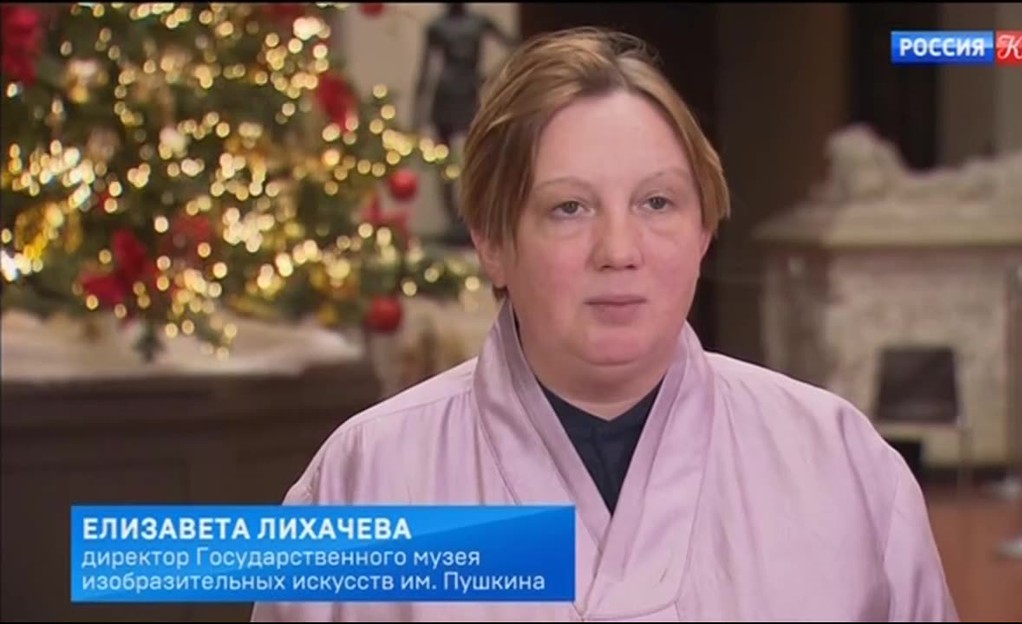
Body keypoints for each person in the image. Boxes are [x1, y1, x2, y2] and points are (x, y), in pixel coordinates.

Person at [252, 27, 959, 622]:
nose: (619, 250)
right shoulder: (365, 479)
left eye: (657, 203)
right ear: (493, 241)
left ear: (704, 229)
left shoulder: (839, 464)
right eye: (569, 208)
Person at [411, 3, 515, 248]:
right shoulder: (437, 27)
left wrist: (492, 76)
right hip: (446, 94)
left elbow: (514, 46)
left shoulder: (479, 23)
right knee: (444, 161)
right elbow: (426, 70)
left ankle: (473, 214)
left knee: (476, 157)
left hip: (469, 93)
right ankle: (452, 218)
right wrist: (417, 112)